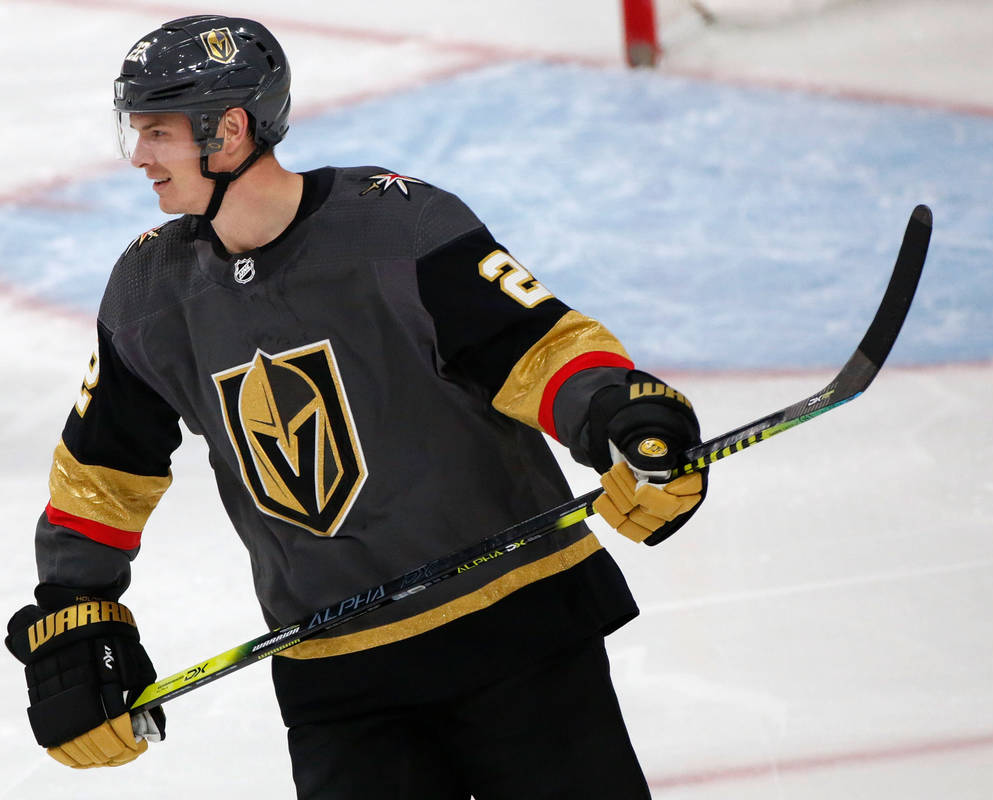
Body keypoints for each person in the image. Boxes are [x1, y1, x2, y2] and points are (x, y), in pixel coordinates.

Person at [3, 15, 709, 798]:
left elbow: (539, 351)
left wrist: (619, 416)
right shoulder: (148, 293)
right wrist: (76, 605)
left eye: (159, 132)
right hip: (338, 675)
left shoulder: (398, 227)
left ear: (228, 130)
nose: (139, 155)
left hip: (518, 631)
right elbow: (102, 468)